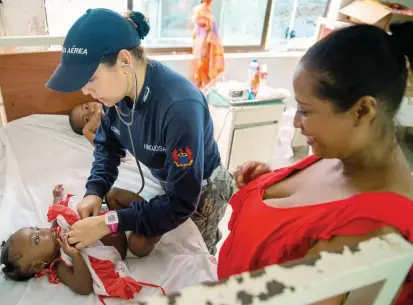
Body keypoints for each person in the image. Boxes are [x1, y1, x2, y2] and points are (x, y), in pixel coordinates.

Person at [218, 23, 413, 305]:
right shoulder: (339, 154)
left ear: (362, 111)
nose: (297, 122)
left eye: (306, 110)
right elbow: (305, 220)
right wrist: (268, 186)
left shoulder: (370, 229)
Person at [45, 9, 233, 256]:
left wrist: (106, 223)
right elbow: (107, 147)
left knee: (196, 254)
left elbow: (182, 202)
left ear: (124, 60)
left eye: (91, 78)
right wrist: (94, 191)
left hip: (201, 188)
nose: (86, 92)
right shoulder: (116, 94)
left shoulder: (179, 107)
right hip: (169, 178)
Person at [0, 185, 136, 297]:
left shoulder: (54, 231)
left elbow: (55, 214)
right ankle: (146, 222)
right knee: (138, 243)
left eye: (35, 228)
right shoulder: (60, 265)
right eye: (36, 238)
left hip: (112, 222)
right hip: (116, 245)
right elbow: (84, 287)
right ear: (38, 266)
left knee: (113, 194)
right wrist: (74, 255)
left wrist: (57, 197)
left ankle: (148, 211)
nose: (41, 230)